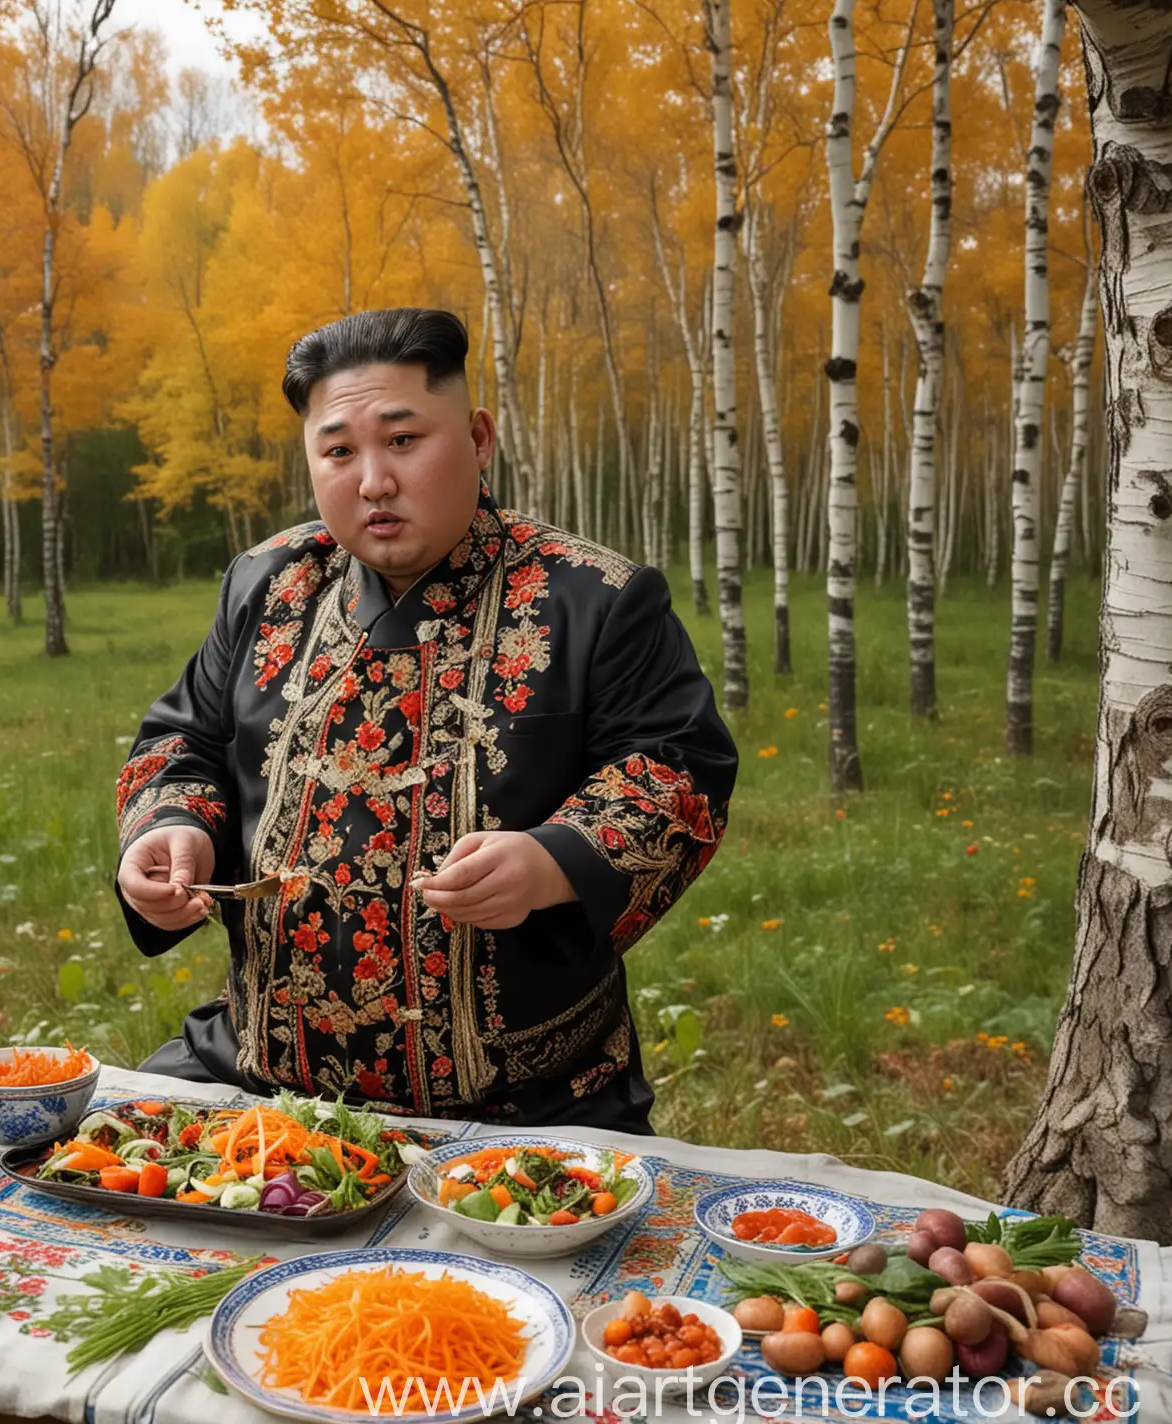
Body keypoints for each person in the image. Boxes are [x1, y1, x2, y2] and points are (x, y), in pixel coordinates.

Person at [114, 308, 737, 1134]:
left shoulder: (593, 598)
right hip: (262, 1080)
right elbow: (182, 739)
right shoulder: (270, 586)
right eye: (339, 451)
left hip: (527, 1107)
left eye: (403, 441)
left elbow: (678, 768)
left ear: (478, 439)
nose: (372, 480)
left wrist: (552, 860)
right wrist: (171, 828)